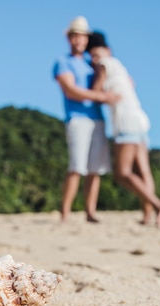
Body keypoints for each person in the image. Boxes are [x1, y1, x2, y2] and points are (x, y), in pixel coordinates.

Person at [86, 31, 160, 227]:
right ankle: (147, 215)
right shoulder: (121, 67)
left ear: (106, 51)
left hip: (125, 122)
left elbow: (96, 92)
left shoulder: (103, 65)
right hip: (140, 118)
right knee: (143, 172)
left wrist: (97, 79)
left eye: (96, 54)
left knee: (122, 173)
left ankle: (159, 205)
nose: (94, 59)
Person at [52, 17, 119, 223]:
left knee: (95, 169)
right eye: (75, 35)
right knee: (76, 167)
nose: (78, 40)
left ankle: (90, 212)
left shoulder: (93, 63)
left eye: (82, 36)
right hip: (77, 118)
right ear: (69, 38)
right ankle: (65, 213)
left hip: (97, 119)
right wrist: (101, 97)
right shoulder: (63, 62)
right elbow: (71, 90)